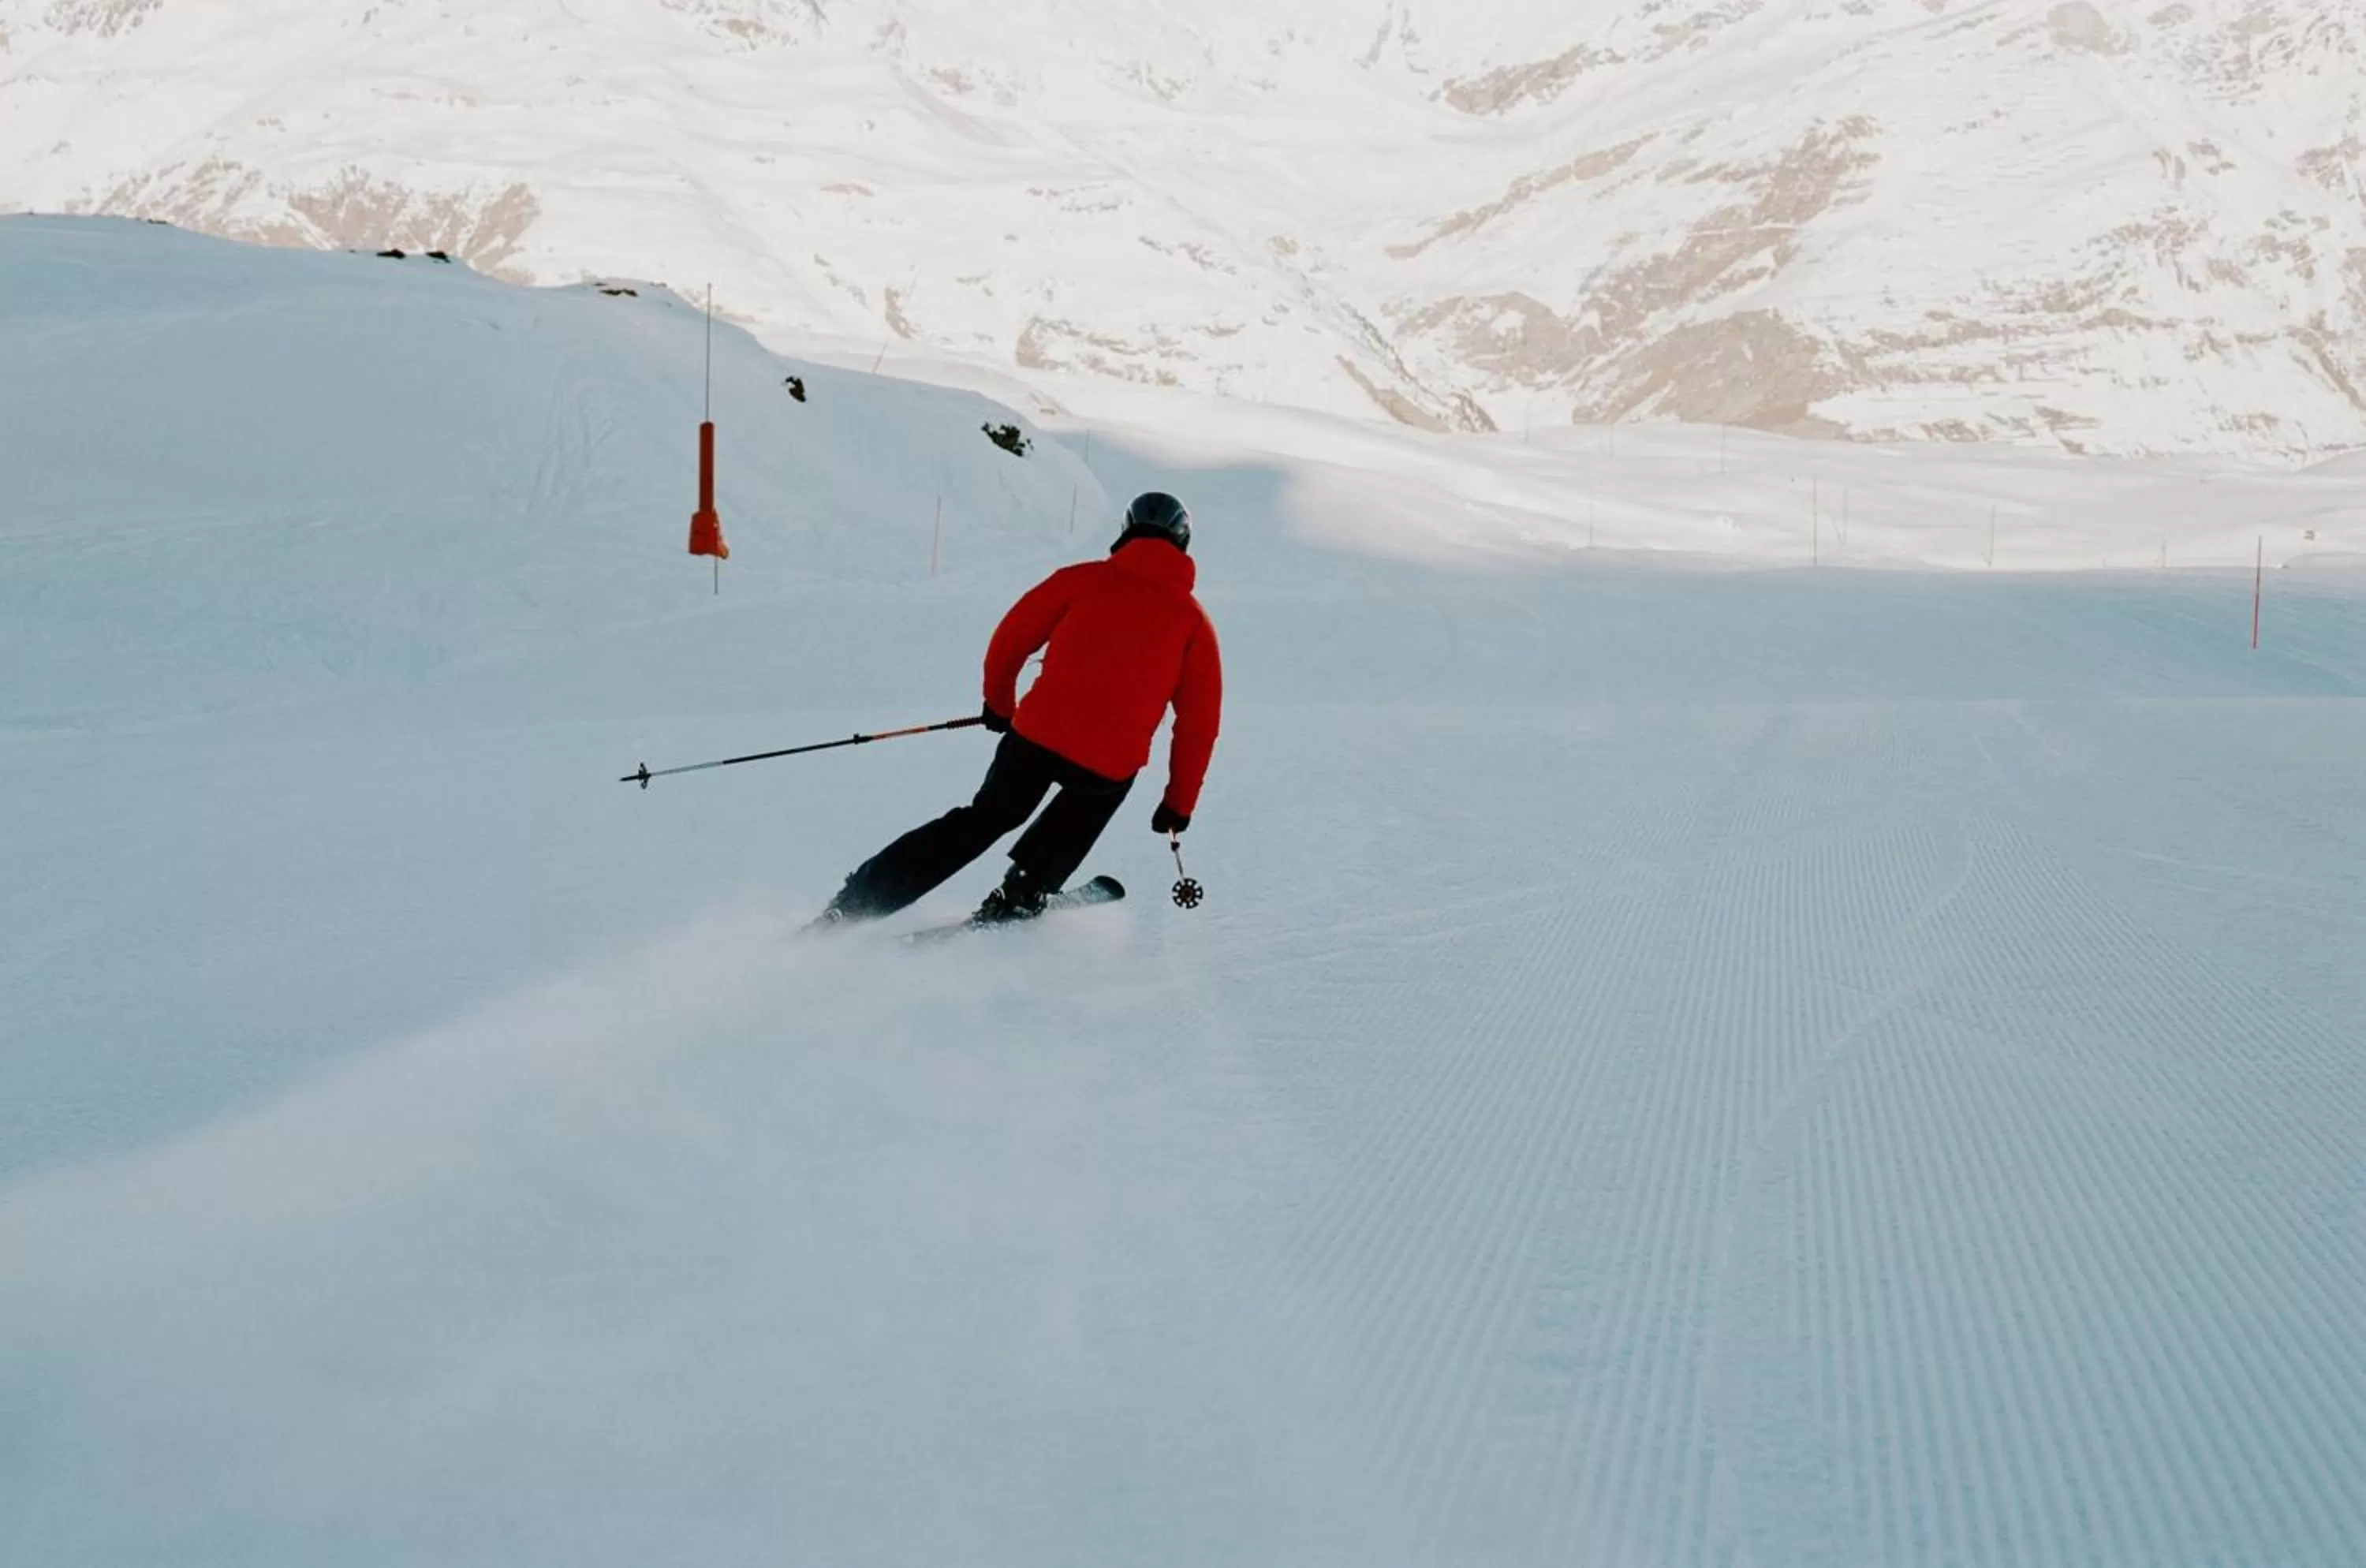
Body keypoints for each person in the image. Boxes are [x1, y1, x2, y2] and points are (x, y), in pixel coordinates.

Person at [819, 491, 1222, 925]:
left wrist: (999, 704)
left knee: (985, 819)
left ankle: (861, 899)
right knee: (1094, 797)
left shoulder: (1078, 580)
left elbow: (1009, 640)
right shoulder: (1194, 624)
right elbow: (1199, 724)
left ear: (1125, 532)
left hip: (1036, 737)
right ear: (1183, 544)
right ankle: (1025, 890)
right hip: (1108, 762)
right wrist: (1178, 804)